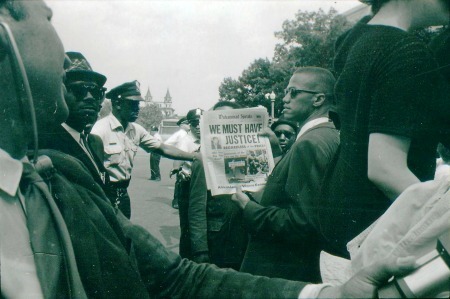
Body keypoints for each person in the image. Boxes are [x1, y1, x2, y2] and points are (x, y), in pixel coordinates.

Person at [0, 1, 422, 298]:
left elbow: (172, 279)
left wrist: (331, 296)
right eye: (48, 14)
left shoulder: (58, 178)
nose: (70, 63)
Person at [317, 0, 450, 258]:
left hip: (347, 232)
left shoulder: (356, 41)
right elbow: (385, 170)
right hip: (384, 237)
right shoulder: (406, 51)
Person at [231, 67, 340, 282]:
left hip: (282, 268)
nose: (285, 99)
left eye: (293, 92)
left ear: (318, 99)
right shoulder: (329, 134)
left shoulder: (309, 142)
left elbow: (301, 222)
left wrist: (248, 207)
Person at [91, 81, 199, 218]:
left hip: (123, 193)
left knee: (125, 237)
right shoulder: (99, 130)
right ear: (118, 104)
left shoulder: (135, 130)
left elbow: (163, 148)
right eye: (132, 104)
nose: (137, 109)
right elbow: (94, 173)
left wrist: (194, 157)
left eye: (138, 104)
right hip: (103, 194)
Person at [187, 101, 248, 270]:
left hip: (247, 239)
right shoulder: (203, 158)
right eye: (219, 119)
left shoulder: (252, 154)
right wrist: (200, 250)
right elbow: (197, 208)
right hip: (219, 240)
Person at [39, 51, 109, 190]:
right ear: (59, 93)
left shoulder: (93, 142)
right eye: (79, 90)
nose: (89, 97)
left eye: (96, 91)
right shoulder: (45, 143)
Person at [177, 108, 203, 259]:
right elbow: (178, 161)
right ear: (189, 125)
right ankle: (186, 258)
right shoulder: (185, 141)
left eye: (201, 123)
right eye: (195, 123)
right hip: (188, 184)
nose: (198, 126)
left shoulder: (209, 139)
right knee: (187, 225)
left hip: (203, 186)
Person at [165, 117, 190, 208]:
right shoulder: (180, 134)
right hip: (181, 159)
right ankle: (176, 200)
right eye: (187, 124)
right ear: (182, 125)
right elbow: (167, 144)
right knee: (180, 180)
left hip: (186, 159)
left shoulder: (187, 134)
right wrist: (176, 152)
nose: (189, 126)